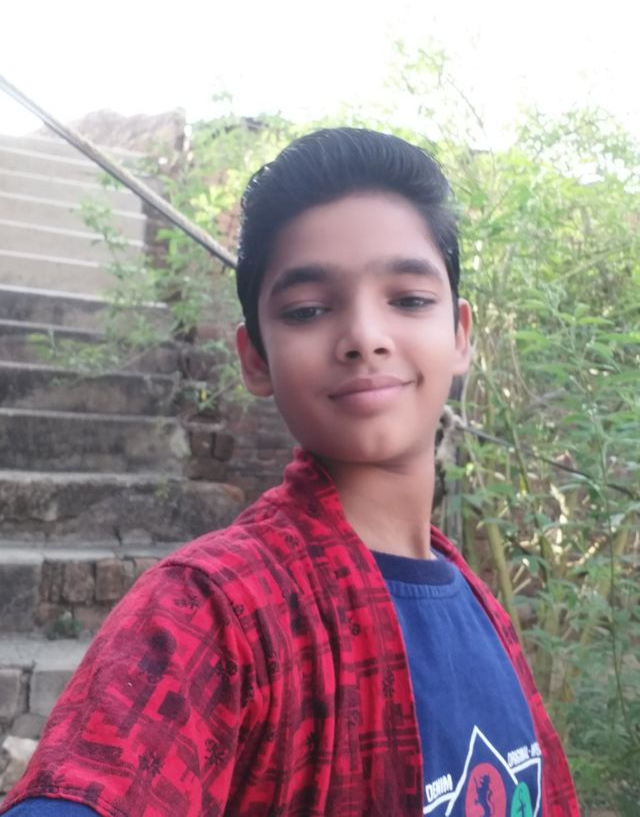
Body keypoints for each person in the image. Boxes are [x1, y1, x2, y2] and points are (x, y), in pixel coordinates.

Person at [1, 128, 579, 816]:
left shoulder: (483, 609)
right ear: (255, 358)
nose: (365, 336)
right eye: (308, 310)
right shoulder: (210, 613)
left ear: (459, 335)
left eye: (408, 299)